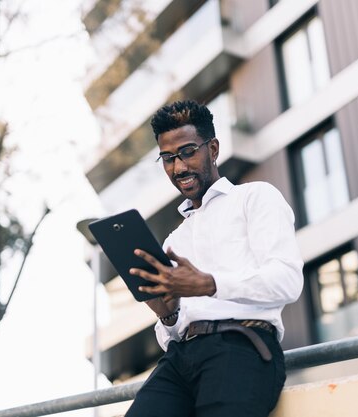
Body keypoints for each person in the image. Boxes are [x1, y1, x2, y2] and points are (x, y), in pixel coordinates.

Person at [125, 100, 304, 417]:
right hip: (180, 359)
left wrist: (209, 284)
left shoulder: (255, 197)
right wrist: (168, 315)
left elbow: (288, 281)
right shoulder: (174, 240)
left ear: (214, 149)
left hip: (241, 347)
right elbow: (171, 336)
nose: (178, 167)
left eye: (188, 152)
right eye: (168, 158)